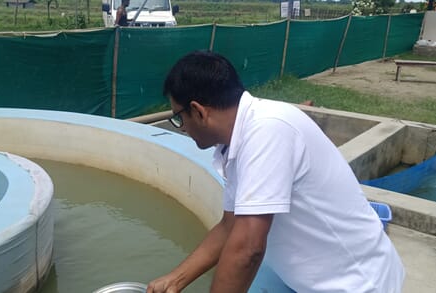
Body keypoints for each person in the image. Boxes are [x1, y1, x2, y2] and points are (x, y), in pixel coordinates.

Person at [147, 51, 405, 293]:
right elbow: (230, 225)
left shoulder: (268, 131)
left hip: (359, 285)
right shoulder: (237, 139)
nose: (181, 128)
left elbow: (248, 249)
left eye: (179, 118)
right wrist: (174, 280)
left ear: (199, 111)